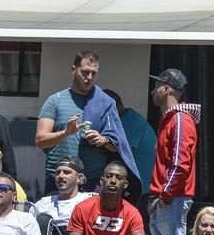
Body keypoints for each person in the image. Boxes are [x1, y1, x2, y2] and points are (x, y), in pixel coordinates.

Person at [35, 51, 140, 198]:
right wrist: (65, 133)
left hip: (92, 180)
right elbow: (40, 141)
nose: (89, 78)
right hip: (59, 178)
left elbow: (118, 145)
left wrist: (103, 140)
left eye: (93, 73)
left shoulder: (105, 103)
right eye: (85, 72)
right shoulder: (55, 101)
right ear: (73, 70)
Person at [148, 68, 201, 235]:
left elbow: (180, 163)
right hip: (164, 196)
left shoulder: (180, 119)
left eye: (156, 86)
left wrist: (165, 195)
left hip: (173, 198)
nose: (153, 91)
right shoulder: (170, 119)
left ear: (167, 89)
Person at [105, 89, 156, 230]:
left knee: (136, 224)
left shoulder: (129, 120)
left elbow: (116, 147)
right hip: (135, 183)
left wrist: (99, 140)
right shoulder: (123, 118)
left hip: (142, 186)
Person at [35, 156, 94, 228]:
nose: (60, 176)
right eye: (58, 172)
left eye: (66, 172)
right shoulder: (42, 203)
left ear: (79, 178)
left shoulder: (90, 201)